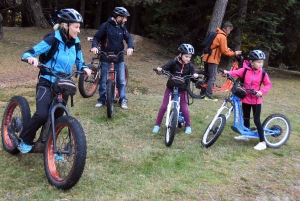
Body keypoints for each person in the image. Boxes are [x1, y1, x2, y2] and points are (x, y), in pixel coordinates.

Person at [19, 8, 92, 153]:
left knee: (57, 118)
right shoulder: (53, 39)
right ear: (66, 25)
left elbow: (80, 61)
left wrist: (84, 68)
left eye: (79, 27)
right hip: (47, 82)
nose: (79, 31)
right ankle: (25, 140)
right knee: (42, 115)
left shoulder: (76, 43)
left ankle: (49, 148)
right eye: (76, 27)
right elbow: (29, 52)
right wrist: (30, 58)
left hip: (63, 85)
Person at [223, 50, 272, 150]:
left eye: (261, 62)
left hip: (256, 100)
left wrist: (261, 92)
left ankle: (262, 142)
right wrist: (227, 73)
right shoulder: (245, 70)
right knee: (245, 117)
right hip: (245, 99)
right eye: (258, 62)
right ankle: (246, 136)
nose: (260, 64)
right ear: (251, 62)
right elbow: (234, 73)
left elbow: (268, 85)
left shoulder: (263, 73)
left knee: (256, 120)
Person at [91, 7, 134, 110]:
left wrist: (130, 47)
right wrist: (94, 46)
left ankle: (123, 100)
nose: (126, 20)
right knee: (103, 80)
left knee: (121, 80)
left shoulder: (122, 28)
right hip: (105, 56)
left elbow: (128, 38)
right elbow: (96, 38)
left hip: (119, 57)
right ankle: (102, 99)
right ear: (118, 17)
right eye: (124, 18)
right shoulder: (105, 26)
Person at [152, 44, 199, 134]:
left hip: (182, 89)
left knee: (184, 108)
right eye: (186, 56)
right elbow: (164, 68)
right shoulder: (173, 62)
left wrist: (195, 76)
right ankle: (157, 125)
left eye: (190, 57)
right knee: (164, 106)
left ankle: (188, 126)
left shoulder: (190, 66)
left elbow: (194, 78)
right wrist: (160, 70)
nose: (188, 59)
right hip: (171, 88)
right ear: (180, 55)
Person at [201, 21, 242, 101]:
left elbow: (220, 47)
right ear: (227, 29)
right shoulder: (222, 36)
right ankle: (208, 95)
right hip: (213, 59)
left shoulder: (217, 34)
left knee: (207, 76)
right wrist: (234, 53)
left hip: (207, 57)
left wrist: (228, 50)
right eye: (230, 30)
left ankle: (203, 92)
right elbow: (224, 51)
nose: (229, 32)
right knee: (212, 77)